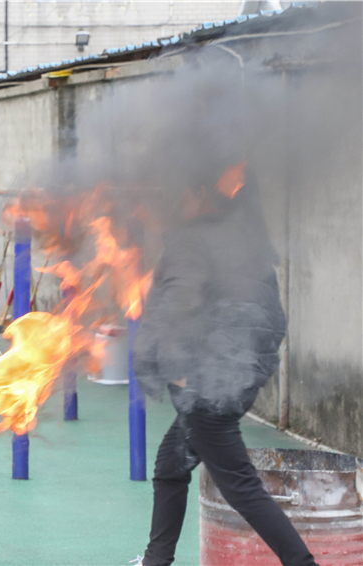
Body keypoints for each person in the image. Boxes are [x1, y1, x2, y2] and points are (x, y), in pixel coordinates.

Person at [133, 164, 317, 566]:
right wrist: (249, 372)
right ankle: (156, 559)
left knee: (239, 484)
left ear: (200, 194)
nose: (175, 204)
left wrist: (157, 362)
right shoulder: (241, 236)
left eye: (181, 195)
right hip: (231, 373)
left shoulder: (192, 241)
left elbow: (176, 302)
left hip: (208, 381)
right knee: (171, 466)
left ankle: (302, 563)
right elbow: (272, 318)